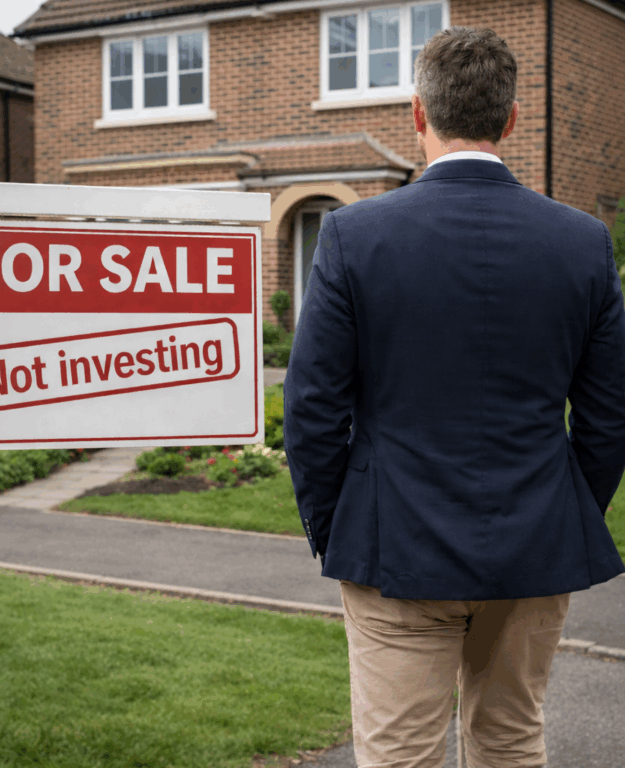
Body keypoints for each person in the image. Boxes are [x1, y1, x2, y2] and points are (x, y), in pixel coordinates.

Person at [283, 25, 625, 768]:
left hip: (392, 546)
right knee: (510, 740)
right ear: (510, 121)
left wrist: (334, 528)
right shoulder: (582, 242)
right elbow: (607, 419)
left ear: (417, 114)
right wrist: (562, 516)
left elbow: (310, 410)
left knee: (399, 754)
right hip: (536, 544)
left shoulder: (352, 236)